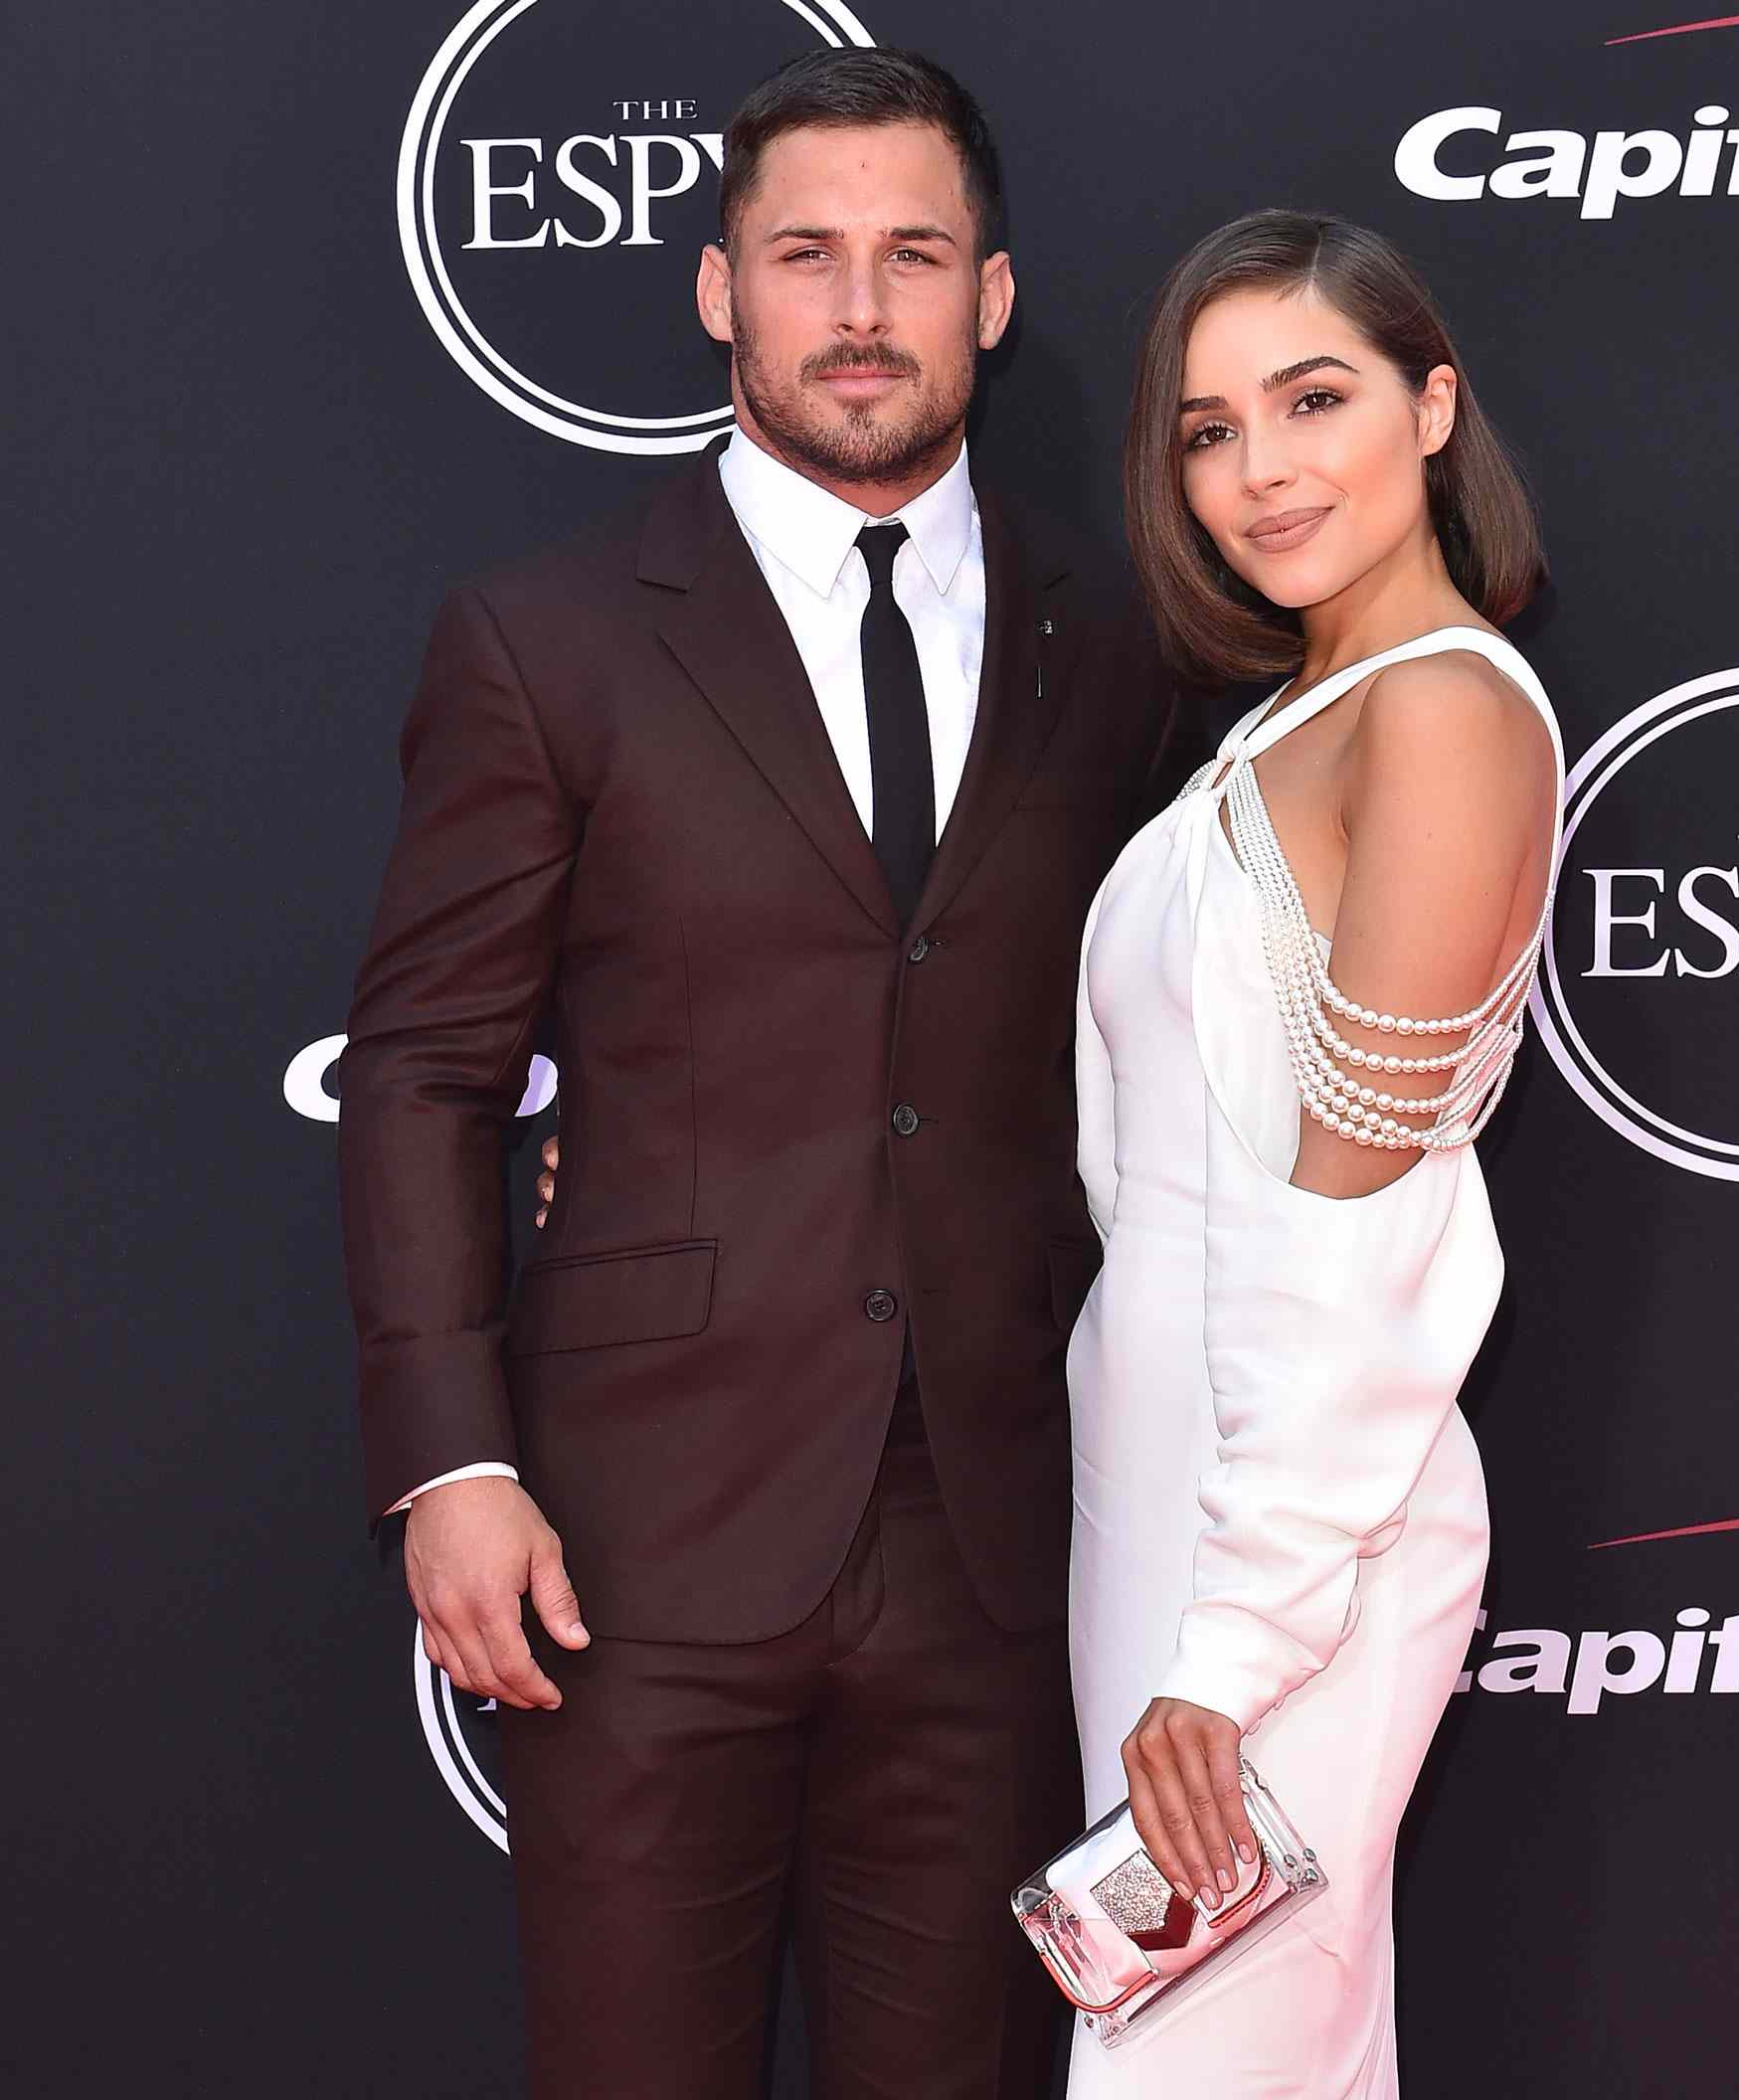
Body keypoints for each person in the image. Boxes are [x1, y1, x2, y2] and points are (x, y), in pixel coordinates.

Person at [337, 48, 1196, 2100]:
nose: (860, 308)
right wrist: (451, 1465)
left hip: (1004, 1538)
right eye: (805, 255)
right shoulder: (547, 642)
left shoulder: (1128, 636)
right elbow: (427, 1076)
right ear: (720, 291)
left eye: (913, 255)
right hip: (640, 1541)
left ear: (990, 298)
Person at [1061, 211, 1562, 2094]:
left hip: (1291, 1545)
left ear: (1434, 409)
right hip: (1181, 1494)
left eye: (1314, 397)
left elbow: (1367, 1222)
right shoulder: (1298, 718)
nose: (1260, 469)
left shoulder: (1440, 711)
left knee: (1208, 2069)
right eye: (1206, 429)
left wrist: (1239, 1637)